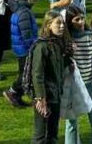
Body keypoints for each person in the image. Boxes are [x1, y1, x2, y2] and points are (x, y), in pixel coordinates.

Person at [64, 6, 92, 144]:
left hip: (88, 85)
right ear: (70, 21)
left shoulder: (90, 36)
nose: (81, 22)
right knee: (72, 124)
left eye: (82, 18)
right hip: (72, 86)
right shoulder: (66, 40)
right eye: (77, 19)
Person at [30, 9, 72, 144]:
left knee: (53, 134)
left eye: (63, 24)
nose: (61, 26)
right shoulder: (41, 47)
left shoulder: (58, 44)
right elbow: (37, 74)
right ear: (48, 25)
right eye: (58, 23)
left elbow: (58, 67)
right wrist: (40, 98)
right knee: (41, 136)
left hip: (56, 95)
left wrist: (69, 61)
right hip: (45, 97)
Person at [4, 0, 37, 107]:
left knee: (26, 73)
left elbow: (11, 2)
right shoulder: (24, 13)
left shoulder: (19, 7)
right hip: (25, 49)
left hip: (20, 48)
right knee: (26, 74)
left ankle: (16, 95)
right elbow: (27, 35)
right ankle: (13, 92)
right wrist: (34, 47)